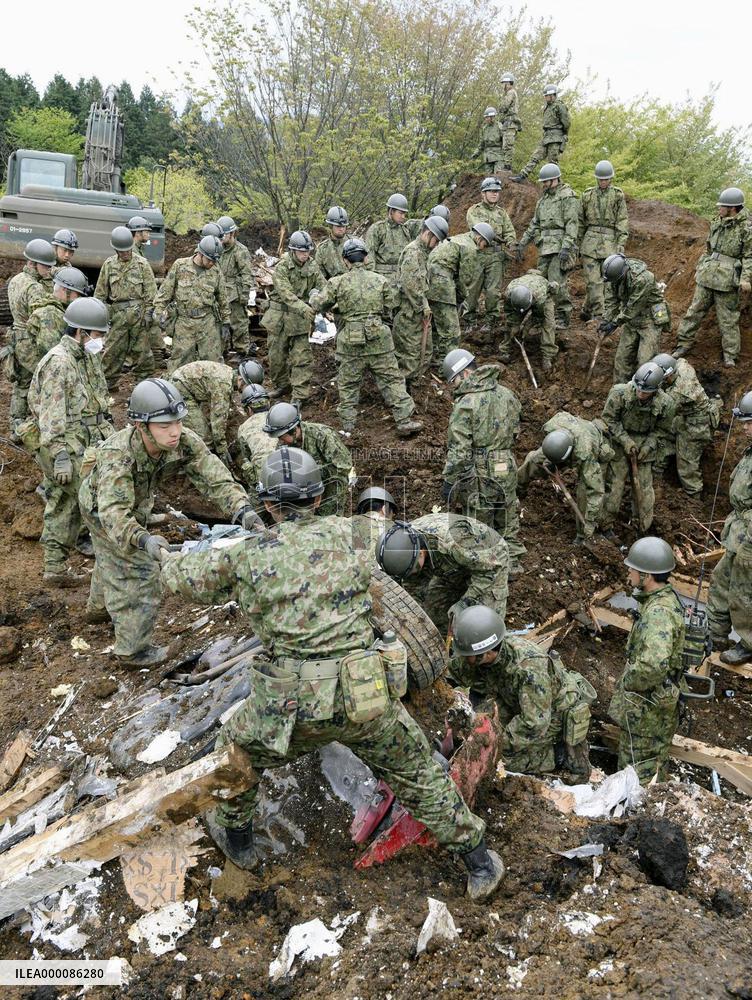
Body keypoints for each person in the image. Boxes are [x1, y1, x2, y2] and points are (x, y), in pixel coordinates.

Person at [161, 447, 503, 899]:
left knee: (237, 753)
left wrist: (159, 552)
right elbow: (402, 537)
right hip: (365, 699)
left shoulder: (244, 557)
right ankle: (479, 864)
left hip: (291, 708)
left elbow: (179, 578)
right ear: (319, 498)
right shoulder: (353, 533)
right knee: (419, 775)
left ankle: (240, 845)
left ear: (267, 504)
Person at [78, 378, 254, 667]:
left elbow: (214, 476)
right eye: (164, 426)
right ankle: (133, 651)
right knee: (141, 572)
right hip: (101, 510)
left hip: (136, 503)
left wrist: (242, 509)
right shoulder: (117, 456)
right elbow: (114, 514)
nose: (175, 432)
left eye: (178, 422)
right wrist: (144, 540)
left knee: (110, 557)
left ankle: (98, 610)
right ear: (140, 426)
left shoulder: (183, 440)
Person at [449, 605, 595, 779]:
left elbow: (535, 723)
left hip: (552, 714)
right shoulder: (486, 654)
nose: (463, 658)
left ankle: (558, 754)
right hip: (517, 700)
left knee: (496, 759)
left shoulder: (528, 668)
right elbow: (454, 672)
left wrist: (495, 744)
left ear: (486, 653)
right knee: (478, 725)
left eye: (467, 655)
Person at [26, 298, 113, 587]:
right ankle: (104, 564)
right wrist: (60, 455)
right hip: (66, 443)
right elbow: (51, 415)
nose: (101, 340)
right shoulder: (59, 362)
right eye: (98, 334)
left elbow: (96, 399)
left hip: (87, 439)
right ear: (81, 332)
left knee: (66, 503)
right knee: (86, 500)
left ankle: (56, 569)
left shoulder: (85, 356)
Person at [310, 238, 423, 436]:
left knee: (348, 384)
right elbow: (393, 303)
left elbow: (318, 304)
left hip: (350, 342)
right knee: (392, 380)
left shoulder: (337, 282)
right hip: (379, 340)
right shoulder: (380, 280)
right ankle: (404, 420)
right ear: (366, 258)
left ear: (345, 260)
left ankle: (348, 426)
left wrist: (314, 295)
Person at [608, 537, 685, 783]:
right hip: (654, 704)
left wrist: (628, 684)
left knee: (637, 772)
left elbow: (652, 666)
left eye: (633, 569)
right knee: (652, 765)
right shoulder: (661, 600)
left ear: (647, 576)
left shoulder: (658, 613)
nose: (628, 573)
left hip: (646, 710)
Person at [441, 348, 526, 572]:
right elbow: (516, 429)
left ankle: (487, 567)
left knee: (480, 520)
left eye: (454, 380)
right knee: (507, 511)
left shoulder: (465, 404)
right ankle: (513, 562)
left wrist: (449, 481)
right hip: (505, 463)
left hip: (480, 471)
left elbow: (460, 451)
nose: (454, 386)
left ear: (465, 374)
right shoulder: (507, 394)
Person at [376, 515, 509, 632]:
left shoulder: (454, 541)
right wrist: (410, 620)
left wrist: (465, 602)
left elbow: (489, 571)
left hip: (490, 561)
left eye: (414, 570)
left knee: (484, 625)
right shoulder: (407, 548)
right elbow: (414, 590)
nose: (413, 574)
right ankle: (449, 641)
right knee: (434, 611)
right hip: (453, 565)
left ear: (421, 553)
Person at [673, 188, 752, 367]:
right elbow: (708, 249)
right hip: (707, 275)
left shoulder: (746, 228)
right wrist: (701, 266)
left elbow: (749, 256)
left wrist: (745, 279)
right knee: (694, 312)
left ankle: (730, 356)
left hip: (727, 280)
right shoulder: (717, 222)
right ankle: (683, 343)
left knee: (728, 319)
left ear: (732, 208)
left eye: (722, 206)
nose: (719, 209)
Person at [517, 412, 614, 543]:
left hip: (595, 445)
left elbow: (596, 491)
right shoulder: (553, 424)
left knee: (585, 492)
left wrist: (590, 522)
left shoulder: (585, 454)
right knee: (533, 459)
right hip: (568, 438)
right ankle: (516, 489)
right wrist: (549, 461)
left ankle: (583, 535)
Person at [600, 362, 674, 536]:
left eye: (646, 392)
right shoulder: (619, 393)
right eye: (638, 389)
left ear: (656, 389)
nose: (641, 394)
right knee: (614, 486)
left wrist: (648, 446)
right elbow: (609, 420)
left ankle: (642, 527)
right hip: (619, 441)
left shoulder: (666, 403)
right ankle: (605, 526)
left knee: (645, 490)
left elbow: (662, 430)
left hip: (645, 443)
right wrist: (626, 441)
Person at [707, 391, 752, 665]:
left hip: (749, 537)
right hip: (739, 530)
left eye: (749, 423)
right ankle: (715, 633)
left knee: (744, 592)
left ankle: (748, 644)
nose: (745, 428)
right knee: (721, 579)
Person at [260, 230, 325, 404]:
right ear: (293, 250)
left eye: (308, 251)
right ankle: (282, 385)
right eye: (302, 251)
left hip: (299, 321)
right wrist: (304, 308)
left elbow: (323, 286)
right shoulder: (282, 267)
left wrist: (321, 301)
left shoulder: (312, 266)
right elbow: (286, 294)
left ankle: (300, 395)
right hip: (279, 319)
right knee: (276, 358)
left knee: (302, 358)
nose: (305, 254)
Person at [15, 267, 89, 411]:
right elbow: (50, 351)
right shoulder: (49, 314)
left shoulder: (60, 310)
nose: (79, 299)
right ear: (64, 290)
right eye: (77, 294)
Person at [154, 235, 231, 372]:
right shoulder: (180, 266)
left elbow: (223, 299)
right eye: (209, 259)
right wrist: (158, 313)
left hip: (207, 323)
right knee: (179, 363)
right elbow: (165, 292)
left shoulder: (216, 271)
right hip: (184, 323)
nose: (212, 263)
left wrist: (226, 322)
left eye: (215, 260)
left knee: (213, 363)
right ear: (200, 254)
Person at [517, 163, 579, 330]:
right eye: (543, 181)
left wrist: (566, 246)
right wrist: (522, 243)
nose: (544, 184)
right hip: (545, 247)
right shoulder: (543, 200)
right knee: (540, 282)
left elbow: (572, 224)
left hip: (560, 246)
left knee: (557, 282)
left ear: (555, 179)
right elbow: (534, 224)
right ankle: (540, 315)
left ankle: (562, 316)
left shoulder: (568, 196)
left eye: (546, 181)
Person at [263, 401, 352, 516]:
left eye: (282, 437)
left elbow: (344, 466)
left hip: (331, 483)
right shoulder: (283, 445)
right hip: (305, 489)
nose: (280, 441)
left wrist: (314, 473)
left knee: (327, 518)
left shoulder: (322, 435)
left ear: (294, 430)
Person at [95, 226, 156, 385]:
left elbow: (151, 293)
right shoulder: (109, 265)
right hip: (118, 316)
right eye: (122, 251)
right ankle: (107, 384)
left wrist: (148, 315)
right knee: (112, 352)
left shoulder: (142, 264)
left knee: (142, 354)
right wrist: (102, 317)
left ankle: (145, 385)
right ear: (116, 250)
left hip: (139, 316)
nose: (126, 253)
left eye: (128, 250)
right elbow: (100, 294)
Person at [652, 352, 720, 496]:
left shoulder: (680, 391)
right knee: (663, 437)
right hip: (683, 416)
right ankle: (657, 471)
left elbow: (662, 408)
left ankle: (693, 495)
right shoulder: (680, 365)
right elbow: (680, 360)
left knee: (687, 464)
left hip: (697, 425)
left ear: (668, 376)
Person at [170, 359, 263, 463]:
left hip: (189, 385)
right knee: (205, 438)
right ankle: (202, 461)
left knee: (207, 425)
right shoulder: (223, 385)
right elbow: (218, 420)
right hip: (180, 388)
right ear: (241, 379)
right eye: (247, 387)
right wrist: (222, 451)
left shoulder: (229, 375)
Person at [393, 217, 449, 384]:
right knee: (410, 355)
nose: (436, 245)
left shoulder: (424, 253)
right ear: (427, 234)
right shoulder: (413, 253)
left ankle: (416, 383)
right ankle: (404, 388)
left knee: (425, 351)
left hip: (420, 312)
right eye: (436, 240)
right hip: (409, 314)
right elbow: (411, 286)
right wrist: (422, 306)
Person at [6, 239, 55, 427]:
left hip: (16, 337)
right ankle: (31, 423)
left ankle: (15, 422)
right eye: (46, 266)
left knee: (21, 383)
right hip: (29, 341)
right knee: (39, 381)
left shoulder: (16, 280)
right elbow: (39, 320)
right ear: (34, 263)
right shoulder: (34, 287)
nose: (49, 270)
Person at [599, 254, 670, 384]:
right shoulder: (612, 278)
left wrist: (614, 323)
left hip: (649, 319)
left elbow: (633, 307)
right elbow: (611, 301)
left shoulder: (643, 279)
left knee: (645, 362)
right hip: (631, 320)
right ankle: (620, 389)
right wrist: (606, 320)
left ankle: (644, 389)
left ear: (623, 273)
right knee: (622, 360)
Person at [428, 223, 494, 361]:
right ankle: (449, 365)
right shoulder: (469, 247)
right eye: (485, 244)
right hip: (442, 285)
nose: (483, 248)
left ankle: (434, 358)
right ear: (479, 238)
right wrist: (460, 298)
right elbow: (465, 279)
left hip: (428, 281)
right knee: (452, 332)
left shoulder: (456, 239)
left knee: (435, 324)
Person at [578, 161, 629, 321]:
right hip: (590, 244)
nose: (603, 182)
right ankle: (599, 315)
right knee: (593, 282)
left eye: (606, 179)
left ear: (611, 178)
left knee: (608, 283)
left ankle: (588, 308)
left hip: (610, 244)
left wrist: (621, 243)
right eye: (601, 179)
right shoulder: (587, 195)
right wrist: (575, 244)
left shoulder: (618, 195)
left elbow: (622, 220)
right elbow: (580, 222)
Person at [464, 177, 516, 328]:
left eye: (497, 191)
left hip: (495, 257)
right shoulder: (474, 210)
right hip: (478, 255)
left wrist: (512, 242)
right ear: (483, 193)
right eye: (491, 191)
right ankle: (469, 320)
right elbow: (478, 229)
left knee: (493, 292)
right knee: (472, 290)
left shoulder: (502, 213)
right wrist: (496, 237)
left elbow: (509, 231)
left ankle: (491, 320)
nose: (495, 194)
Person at [365, 194, 423, 299]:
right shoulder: (377, 229)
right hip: (382, 280)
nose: (403, 217)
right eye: (400, 213)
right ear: (391, 211)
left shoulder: (405, 231)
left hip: (401, 280)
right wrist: (373, 281)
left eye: (404, 214)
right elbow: (369, 256)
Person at [512, 84, 570, 182]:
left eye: (547, 95)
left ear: (553, 95)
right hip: (546, 137)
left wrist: (563, 135)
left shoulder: (559, 106)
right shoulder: (548, 107)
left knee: (552, 164)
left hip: (555, 138)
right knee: (535, 157)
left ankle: (557, 185)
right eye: (545, 96)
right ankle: (522, 176)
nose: (545, 97)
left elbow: (566, 123)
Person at [502, 271, 558, 370]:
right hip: (522, 296)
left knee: (548, 323)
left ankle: (547, 356)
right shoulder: (508, 293)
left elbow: (538, 317)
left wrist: (526, 328)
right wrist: (514, 326)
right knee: (510, 324)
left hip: (543, 297)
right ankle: (505, 351)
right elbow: (509, 312)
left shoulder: (540, 295)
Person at [129, 216, 165, 362]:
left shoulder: (139, 249)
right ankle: (156, 353)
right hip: (136, 298)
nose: (149, 234)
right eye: (146, 231)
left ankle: (157, 352)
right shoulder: (132, 252)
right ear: (138, 233)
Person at [217, 215, 254, 355]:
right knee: (220, 322)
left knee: (239, 323)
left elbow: (247, 275)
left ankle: (241, 351)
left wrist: (244, 296)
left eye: (224, 234)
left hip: (235, 294)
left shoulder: (240, 251)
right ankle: (223, 350)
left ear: (232, 234)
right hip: (220, 292)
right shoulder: (218, 248)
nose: (221, 238)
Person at [236, 383, 276, 498]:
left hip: (264, 476)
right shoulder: (279, 416)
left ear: (248, 409)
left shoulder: (243, 428)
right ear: (268, 403)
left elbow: (246, 455)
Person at [316, 206, 350, 280]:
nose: (341, 229)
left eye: (343, 226)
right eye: (338, 226)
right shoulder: (322, 249)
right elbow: (320, 277)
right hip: (333, 285)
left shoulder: (354, 244)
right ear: (330, 226)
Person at [497, 73, 521, 170]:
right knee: (506, 145)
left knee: (508, 145)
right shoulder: (510, 93)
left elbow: (503, 107)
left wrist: (500, 105)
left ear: (508, 83)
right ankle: (506, 165)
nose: (503, 86)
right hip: (508, 123)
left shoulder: (511, 93)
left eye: (504, 83)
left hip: (510, 123)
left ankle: (507, 166)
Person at [472, 106, 503, 175]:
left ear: (492, 117)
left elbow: (505, 142)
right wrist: (475, 155)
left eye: (487, 117)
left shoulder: (499, 127)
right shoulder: (484, 129)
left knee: (498, 176)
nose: (485, 119)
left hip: (498, 157)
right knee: (488, 178)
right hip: (488, 158)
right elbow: (481, 145)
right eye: (485, 117)